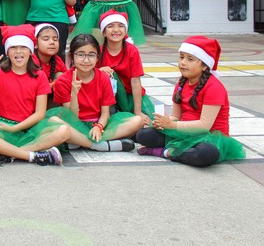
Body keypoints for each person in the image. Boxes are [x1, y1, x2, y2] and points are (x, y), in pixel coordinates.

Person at [136, 36, 245, 167]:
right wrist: (162, 122)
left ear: (204, 66)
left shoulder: (214, 87)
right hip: (184, 131)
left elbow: (204, 125)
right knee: (143, 135)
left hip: (209, 137)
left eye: (190, 59)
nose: (183, 62)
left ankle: (166, 152)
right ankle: (180, 151)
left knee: (206, 153)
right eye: (181, 57)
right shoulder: (181, 83)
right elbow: (176, 116)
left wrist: (172, 125)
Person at [0, 25, 66, 165]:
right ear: (7, 51)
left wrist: (15, 128)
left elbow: (40, 114)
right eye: (13, 47)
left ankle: (5, 153)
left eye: (23, 47)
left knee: (64, 130)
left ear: (30, 51)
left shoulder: (40, 76)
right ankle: (33, 156)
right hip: (3, 126)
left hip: (30, 127)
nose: (18, 52)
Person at [49, 34, 144, 152]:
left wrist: (99, 127)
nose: (86, 60)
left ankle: (78, 141)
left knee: (137, 121)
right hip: (74, 125)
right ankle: (100, 145)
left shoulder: (103, 78)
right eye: (80, 55)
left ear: (97, 57)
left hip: (99, 124)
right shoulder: (63, 81)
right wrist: (74, 94)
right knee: (53, 121)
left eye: (91, 55)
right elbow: (72, 117)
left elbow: (105, 113)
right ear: (72, 56)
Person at [98, 9, 153, 124]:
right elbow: (89, 75)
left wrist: (138, 112)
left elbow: (136, 82)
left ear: (125, 30)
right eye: (110, 26)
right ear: (104, 32)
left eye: (121, 26)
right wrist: (99, 70)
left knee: (150, 122)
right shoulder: (98, 51)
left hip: (131, 95)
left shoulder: (132, 51)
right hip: (109, 99)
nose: (116, 30)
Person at [34, 23, 68, 108]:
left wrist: (55, 83)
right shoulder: (31, 60)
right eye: (46, 39)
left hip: (48, 96)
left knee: (60, 76)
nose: (52, 42)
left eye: (55, 39)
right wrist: (45, 86)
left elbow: (68, 77)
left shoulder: (57, 60)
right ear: (35, 44)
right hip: (32, 97)